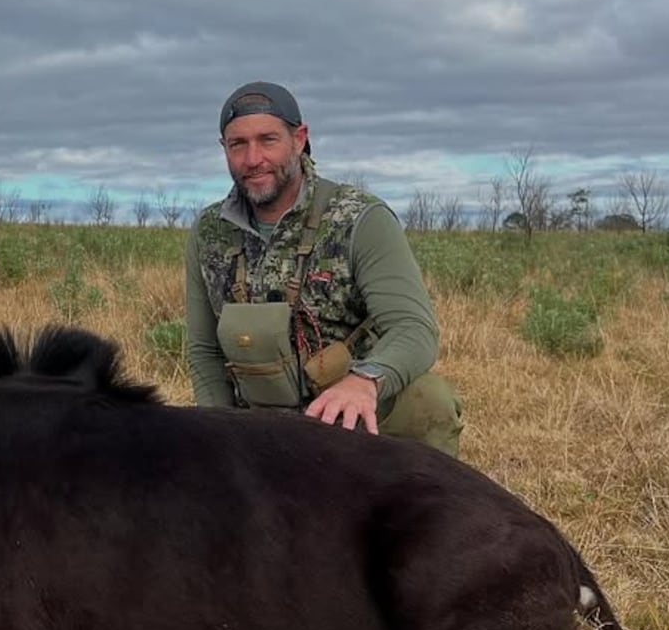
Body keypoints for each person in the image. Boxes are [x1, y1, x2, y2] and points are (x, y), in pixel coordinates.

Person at [183, 81, 463, 457]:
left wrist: (365, 381)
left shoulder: (360, 218)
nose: (253, 159)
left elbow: (414, 329)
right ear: (224, 148)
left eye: (268, 140)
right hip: (255, 420)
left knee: (429, 401)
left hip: (349, 414)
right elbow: (204, 350)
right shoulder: (210, 231)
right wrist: (220, 437)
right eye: (238, 144)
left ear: (299, 139)